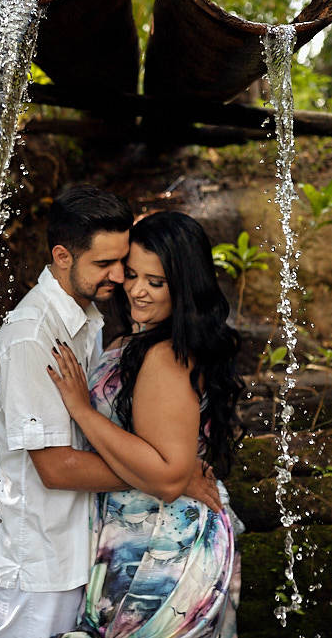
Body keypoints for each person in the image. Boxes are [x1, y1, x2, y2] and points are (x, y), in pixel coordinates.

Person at [0, 187, 221, 638]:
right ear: (62, 256)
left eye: (124, 262)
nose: (121, 278)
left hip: (85, 548)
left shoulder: (88, 318)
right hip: (39, 556)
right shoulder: (33, 340)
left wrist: (168, 470)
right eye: (106, 264)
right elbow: (57, 467)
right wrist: (172, 476)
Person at [46, 210, 244, 638]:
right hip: (143, 540)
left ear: (184, 287)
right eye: (132, 274)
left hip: (162, 553)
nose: (137, 290)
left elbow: (169, 477)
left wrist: (82, 410)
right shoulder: (139, 342)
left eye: (155, 282)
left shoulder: (165, 356)